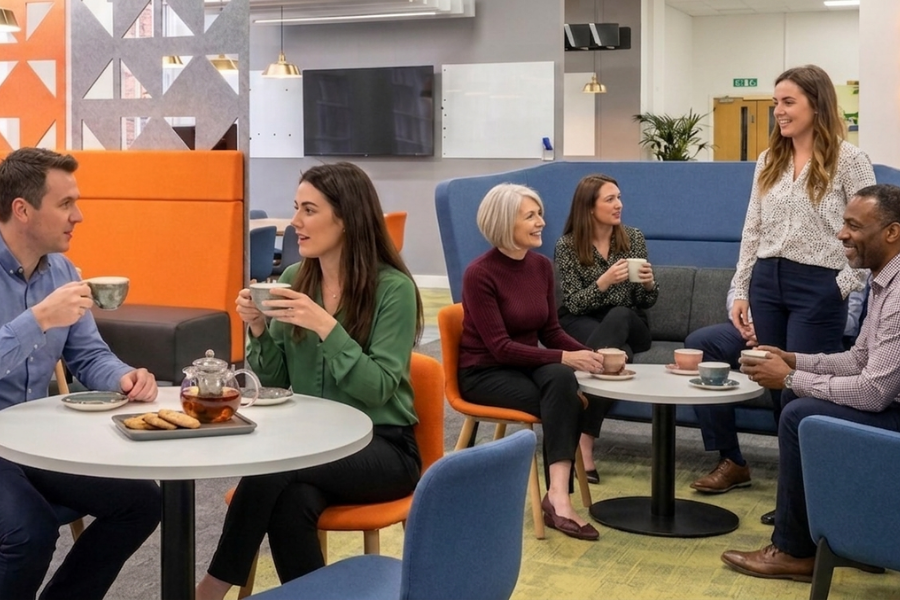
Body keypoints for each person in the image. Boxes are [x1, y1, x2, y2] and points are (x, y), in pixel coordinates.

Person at [196, 162, 424, 599]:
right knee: (291, 501)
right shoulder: (291, 280)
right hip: (311, 444)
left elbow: (377, 388)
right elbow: (276, 385)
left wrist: (326, 327)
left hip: (382, 446)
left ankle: (210, 589)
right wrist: (259, 330)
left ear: (346, 217)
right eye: (295, 208)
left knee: (274, 469)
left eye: (309, 210)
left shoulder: (393, 289)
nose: (295, 223)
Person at [0, 148, 161, 600]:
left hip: (31, 442)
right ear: (23, 210)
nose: (80, 216)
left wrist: (125, 377)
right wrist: (38, 319)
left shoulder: (63, 272)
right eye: (66, 204)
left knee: (142, 501)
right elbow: (40, 327)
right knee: (29, 532)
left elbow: (89, 356)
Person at [721, 183, 900, 582]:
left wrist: (791, 378)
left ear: (892, 232)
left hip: (893, 414)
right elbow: (859, 358)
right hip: (890, 407)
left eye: (854, 225)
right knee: (801, 406)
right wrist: (796, 359)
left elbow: (873, 392)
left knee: (799, 414)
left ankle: (792, 550)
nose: (841, 234)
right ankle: (848, 539)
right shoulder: (883, 280)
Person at [457, 183, 605, 541]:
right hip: (484, 371)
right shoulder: (480, 274)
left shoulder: (541, 266)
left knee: (564, 379)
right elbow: (500, 348)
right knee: (564, 391)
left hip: (524, 365)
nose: (541, 222)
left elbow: (551, 331)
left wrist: (591, 357)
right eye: (531, 216)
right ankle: (559, 501)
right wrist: (566, 358)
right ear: (505, 223)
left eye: (539, 213)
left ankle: (556, 495)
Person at [731, 64, 875, 419]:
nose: (778, 110)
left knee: (802, 390)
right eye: (776, 101)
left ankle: (807, 474)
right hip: (767, 282)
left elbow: (869, 232)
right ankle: (790, 471)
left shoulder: (850, 160)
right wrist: (740, 290)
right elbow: (753, 228)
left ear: (816, 105)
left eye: (788, 102)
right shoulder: (769, 159)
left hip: (818, 286)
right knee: (771, 382)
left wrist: (840, 287)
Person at [687, 277, 866, 499]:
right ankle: (731, 460)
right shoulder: (769, 248)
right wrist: (751, 325)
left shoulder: (848, 255)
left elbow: (849, 321)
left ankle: (795, 482)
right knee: (702, 344)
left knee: (788, 375)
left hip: (803, 330)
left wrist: (777, 326)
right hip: (752, 330)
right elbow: (738, 290)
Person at [554, 174, 659, 483]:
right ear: (589, 207)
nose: (619, 205)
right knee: (617, 355)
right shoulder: (568, 246)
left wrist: (650, 285)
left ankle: (574, 400)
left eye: (619, 198)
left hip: (629, 321)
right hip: (582, 320)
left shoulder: (633, 238)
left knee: (619, 314)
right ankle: (586, 442)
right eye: (610, 199)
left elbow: (644, 300)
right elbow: (572, 304)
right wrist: (603, 283)